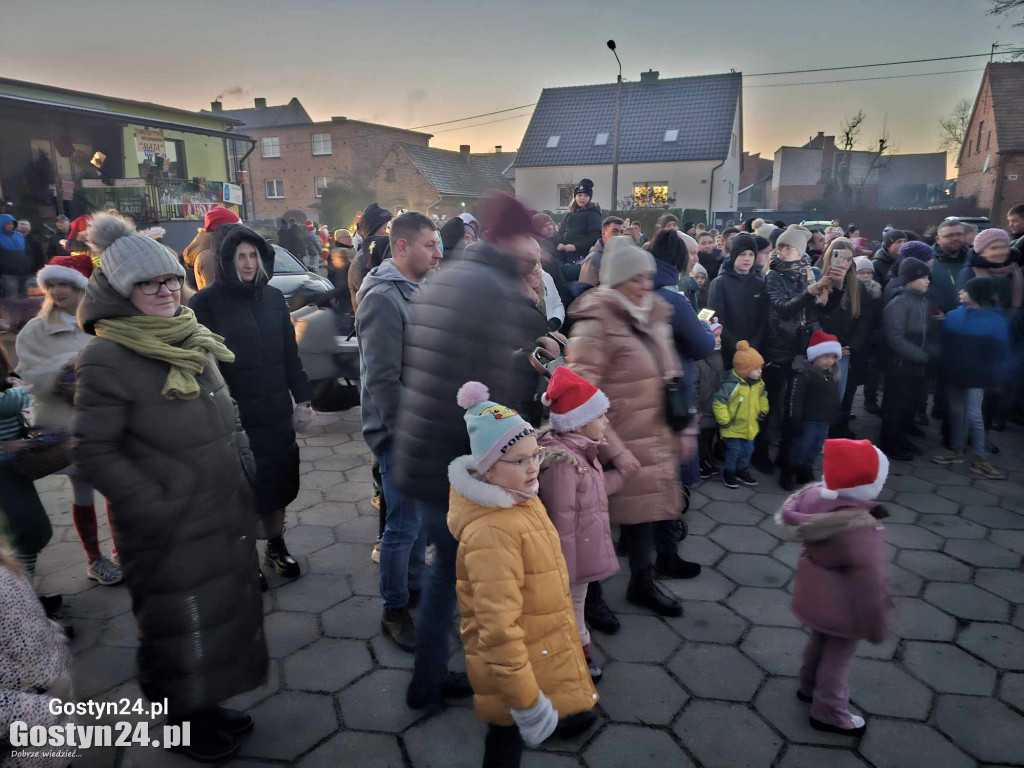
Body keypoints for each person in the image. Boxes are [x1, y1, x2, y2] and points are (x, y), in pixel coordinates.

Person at [72, 213, 266, 762]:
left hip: (219, 511)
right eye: (147, 283)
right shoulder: (107, 354)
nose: (164, 291)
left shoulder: (190, 336)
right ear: (120, 291)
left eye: (170, 280)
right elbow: (92, 450)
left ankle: (205, 705)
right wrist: (158, 504)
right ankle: (179, 722)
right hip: (165, 526)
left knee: (214, 619)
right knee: (177, 626)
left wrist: (246, 472)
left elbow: (227, 418)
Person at [395, 192, 546, 712]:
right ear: (508, 236)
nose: (535, 246)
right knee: (465, 574)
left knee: (449, 570)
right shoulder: (492, 287)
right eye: (530, 235)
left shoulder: (451, 275)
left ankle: (429, 677)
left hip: (423, 450)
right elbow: (491, 395)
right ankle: (486, 682)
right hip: (457, 460)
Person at [449, 382, 598, 766]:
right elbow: (497, 630)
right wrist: (528, 703)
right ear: (486, 468)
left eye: (536, 455)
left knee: (506, 736)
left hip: (537, 648)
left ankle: (560, 711)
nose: (533, 466)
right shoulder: (493, 532)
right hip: (513, 673)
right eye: (517, 460)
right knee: (504, 738)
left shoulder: (518, 498)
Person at [567, 236, 688, 616]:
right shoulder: (595, 323)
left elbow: (671, 372)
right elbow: (580, 391)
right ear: (617, 280)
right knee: (598, 522)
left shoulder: (654, 314)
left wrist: (685, 427)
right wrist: (612, 447)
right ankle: (592, 597)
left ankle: (643, 581)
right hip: (612, 439)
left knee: (644, 516)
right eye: (636, 278)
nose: (646, 285)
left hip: (652, 434)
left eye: (648, 277)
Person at [190, 224, 313, 587]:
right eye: (240, 256)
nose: (247, 263)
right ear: (227, 261)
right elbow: (203, 365)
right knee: (243, 490)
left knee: (278, 481)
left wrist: (303, 398)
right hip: (235, 416)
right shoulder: (205, 304)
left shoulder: (274, 298)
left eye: (252, 255)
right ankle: (244, 559)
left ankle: (275, 545)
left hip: (275, 410)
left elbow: (290, 353)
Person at [355, 212, 442, 651]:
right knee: (402, 526)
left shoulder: (416, 291)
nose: (439, 252)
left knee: (419, 524)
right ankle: (394, 608)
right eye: (430, 244)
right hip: (402, 437)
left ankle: (414, 589)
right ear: (403, 247)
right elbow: (384, 381)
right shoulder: (384, 299)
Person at [16, 254, 123, 587]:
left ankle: (123, 551)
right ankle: (95, 558)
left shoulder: (103, 324)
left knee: (117, 489)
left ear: (82, 288)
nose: (57, 290)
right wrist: (62, 373)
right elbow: (25, 375)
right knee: (83, 491)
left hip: (107, 421)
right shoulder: (36, 329)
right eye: (52, 284)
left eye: (65, 283)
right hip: (66, 428)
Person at [778, 438, 890, 736]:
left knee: (818, 642)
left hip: (814, 593)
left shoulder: (814, 498)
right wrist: (876, 625)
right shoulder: (862, 528)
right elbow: (870, 582)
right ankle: (828, 710)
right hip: (844, 606)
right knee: (838, 658)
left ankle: (808, 686)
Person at [537, 367, 624, 681]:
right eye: (601, 416)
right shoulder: (564, 464)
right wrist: (566, 570)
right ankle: (576, 660)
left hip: (580, 553)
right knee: (570, 607)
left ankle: (576, 654)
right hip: (569, 560)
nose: (607, 422)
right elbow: (562, 522)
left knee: (576, 605)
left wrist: (621, 477)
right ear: (580, 420)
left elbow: (592, 495)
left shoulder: (583, 451)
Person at [759, 225, 843, 474]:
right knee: (771, 404)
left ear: (801, 251)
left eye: (789, 248)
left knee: (795, 408)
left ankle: (789, 458)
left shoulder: (811, 272)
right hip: (779, 347)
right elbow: (783, 307)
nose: (783, 252)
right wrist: (810, 293)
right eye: (781, 247)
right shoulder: (773, 275)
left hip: (804, 349)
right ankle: (760, 452)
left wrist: (833, 291)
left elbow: (821, 310)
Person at [0, 532, 77, 768]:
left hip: (47, 728)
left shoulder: (6, 570)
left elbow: (29, 618)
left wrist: (53, 635)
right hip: (27, 742)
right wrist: (49, 708)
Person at [931, 277, 1010, 478]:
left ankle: (980, 457)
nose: (960, 293)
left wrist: (998, 377)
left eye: (965, 290)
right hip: (954, 373)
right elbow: (946, 343)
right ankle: (957, 450)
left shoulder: (995, 320)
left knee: (974, 415)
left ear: (976, 295)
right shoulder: (954, 315)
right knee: (956, 412)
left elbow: (1001, 351)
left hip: (977, 376)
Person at [880, 257, 935, 460]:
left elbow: (926, 333)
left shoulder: (921, 300)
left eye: (928, 277)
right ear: (909, 280)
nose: (927, 281)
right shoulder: (898, 303)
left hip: (916, 365)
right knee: (895, 405)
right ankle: (890, 443)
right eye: (923, 277)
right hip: (900, 365)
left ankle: (901, 438)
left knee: (908, 405)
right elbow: (894, 337)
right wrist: (922, 355)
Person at [817, 239, 866, 436]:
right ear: (829, 256)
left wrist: (851, 346)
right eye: (839, 257)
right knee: (818, 393)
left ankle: (831, 431)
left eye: (848, 259)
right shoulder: (818, 279)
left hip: (844, 350)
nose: (843, 263)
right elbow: (815, 315)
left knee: (838, 392)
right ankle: (817, 434)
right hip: (821, 347)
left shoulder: (857, 287)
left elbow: (864, 320)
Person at [784, 331, 842, 487]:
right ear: (815, 356)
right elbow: (795, 400)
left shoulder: (831, 376)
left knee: (816, 447)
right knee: (801, 446)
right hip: (807, 420)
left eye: (832, 357)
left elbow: (834, 397)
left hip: (824, 420)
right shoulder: (804, 375)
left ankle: (806, 468)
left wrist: (835, 414)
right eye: (825, 357)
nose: (829, 361)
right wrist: (795, 419)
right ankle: (789, 470)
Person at [713, 340, 768, 489]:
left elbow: (762, 397)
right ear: (744, 370)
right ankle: (729, 471)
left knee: (748, 450)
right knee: (734, 451)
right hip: (733, 426)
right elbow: (719, 402)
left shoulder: (759, 384)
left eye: (760, 368)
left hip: (749, 425)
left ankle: (741, 470)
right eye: (756, 368)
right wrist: (724, 420)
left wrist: (763, 410)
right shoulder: (732, 385)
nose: (760, 371)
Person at [708, 233, 767, 370]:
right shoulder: (720, 283)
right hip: (728, 354)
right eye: (742, 254)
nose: (747, 259)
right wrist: (736, 346)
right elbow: (717, 319)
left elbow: (763, 319)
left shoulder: (759, 284)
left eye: (751, 254)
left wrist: (753, 346)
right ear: (734, 255)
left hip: (754, 353)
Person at [955, 227, 1023, 314]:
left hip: (1015, 323)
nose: (1000, 252)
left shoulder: (1014, 268)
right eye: (994, 248)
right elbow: (963, 307)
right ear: (981, 252)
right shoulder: (969, 272)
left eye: (1004, 247)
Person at [850, 257, 884, 416]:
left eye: (869, 273)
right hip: (857, 338)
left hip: (873, 337)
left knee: (872, 371)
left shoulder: (877, 291)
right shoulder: (851, 291)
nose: (866, 276)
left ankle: (870, 398)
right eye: (861, 273)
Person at [181, 206, 241, 291]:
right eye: (237, 229)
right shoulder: (209, 257)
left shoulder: (217, 250)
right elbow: (216, 296)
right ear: (224, 231)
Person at [349, 203, 393, 314]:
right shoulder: (363, 260)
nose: (391, 232)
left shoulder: (379, 254)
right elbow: (375, 302)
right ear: (373, 231)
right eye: (386, 228)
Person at [695, 322, 725, 478]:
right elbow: (694, 386)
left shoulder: (718, 357)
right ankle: (699, 462)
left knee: (709, 435)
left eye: (720, 336)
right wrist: (695, 409)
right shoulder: (698, 361)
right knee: (701, 437)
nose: (719, 339)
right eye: (715, 336)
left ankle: (706, 457)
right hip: (702, 408)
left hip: (713, 405)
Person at [930, 219, 970, 314]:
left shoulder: (973, 259)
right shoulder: (928, 260)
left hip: (968, 316)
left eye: (959, 234)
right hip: (938, 318)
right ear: (938, 239)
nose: (955, 238)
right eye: (950, 235)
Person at [558, 179, 603, 264]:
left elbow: (595, 237)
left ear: (589, 198)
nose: (582, 198)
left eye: (585, 195)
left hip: (583, 256)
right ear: (575, 197)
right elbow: (562, 231)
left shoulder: (593, 214)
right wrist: (560, 243)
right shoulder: (569, 214)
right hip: (566, 254)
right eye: (580, 195)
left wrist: (576, 247)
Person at [0, 214, 31, 327]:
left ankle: (24, 321)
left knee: (24, 298)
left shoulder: (20, 236)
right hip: (8, 273)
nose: (11, 226)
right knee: (11, 299)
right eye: (8, 224)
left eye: (12, 223)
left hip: (23, 272)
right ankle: (13, 322)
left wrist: (29, 265)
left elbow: (27, 252)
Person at [577, 216, 624, 289]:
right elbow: (584, 292)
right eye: (615, 231)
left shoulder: (624, 256)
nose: (619, 236)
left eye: (621, 232)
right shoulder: (594, 259)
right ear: (603, 234)